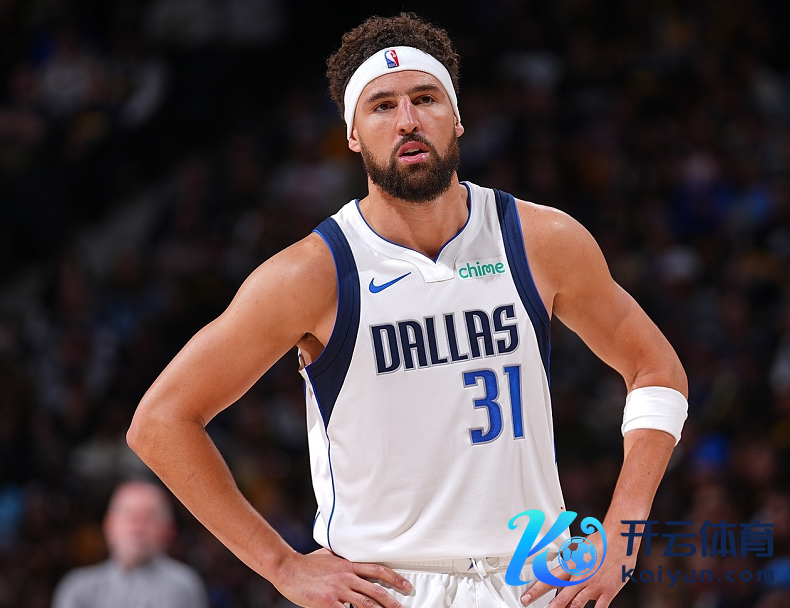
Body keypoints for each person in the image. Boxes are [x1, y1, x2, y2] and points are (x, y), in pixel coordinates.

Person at [127, 12, 688, 608]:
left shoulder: (541, 240)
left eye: (425, 98)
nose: (408, 120)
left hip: (533, 579)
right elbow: (160, 423)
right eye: (382, 106)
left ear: (457, 118)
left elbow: (656, 370)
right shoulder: (313, 274)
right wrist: (282, 565)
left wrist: (624, 535)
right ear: (352, 134)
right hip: (390, 587)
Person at [52, 481, 209, 608]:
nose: (137, 526)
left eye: (149, 516)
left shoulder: (182, 586)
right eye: (128, 514)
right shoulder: (78, 588)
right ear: (109, 525)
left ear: (168, 530)